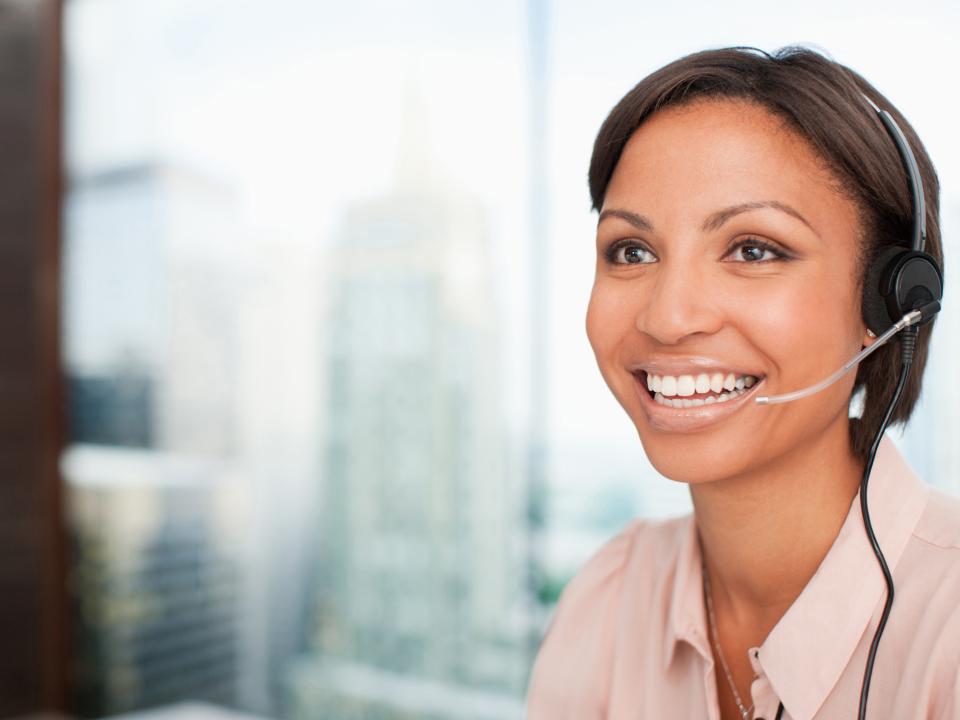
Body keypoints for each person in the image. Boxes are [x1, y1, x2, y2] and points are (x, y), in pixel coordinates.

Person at [524, 46, 958, 720]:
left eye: (753, 249)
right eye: (631, 251)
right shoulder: (610, 598)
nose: (668, 318)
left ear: (889, 304)